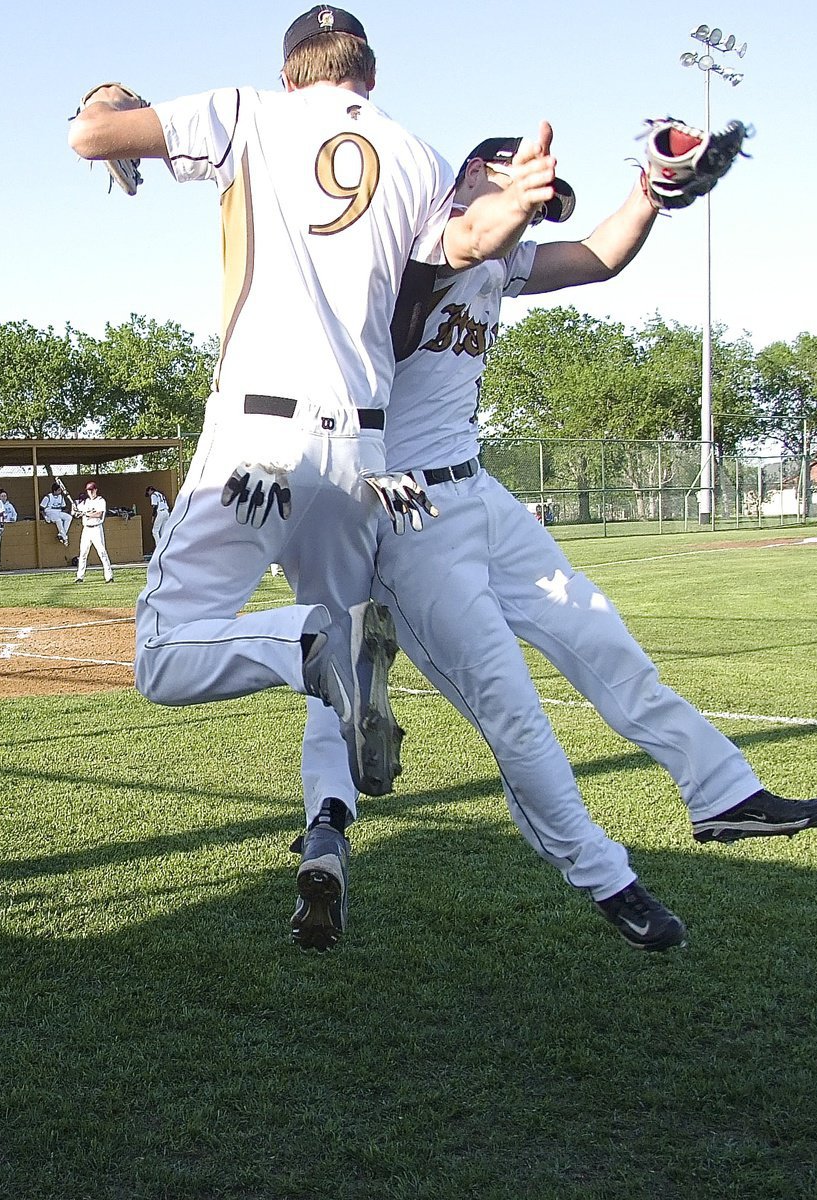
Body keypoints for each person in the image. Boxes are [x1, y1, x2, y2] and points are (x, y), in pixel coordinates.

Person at [296, 137, 817, 952]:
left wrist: (652, 193)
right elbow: (454, 252)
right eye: (528, 193)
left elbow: (598, 258)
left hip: (478, 491)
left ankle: (722, 793)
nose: (539, 214)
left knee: (600, 635)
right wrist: (509, 208)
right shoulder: (411, 240)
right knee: (512, 710)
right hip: (408, 517)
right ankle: (605, 878)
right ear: (478, 175)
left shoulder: (499, 257)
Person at [67, 8, 557, 818]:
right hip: (365, 453)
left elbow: (92, 135)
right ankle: (327, 830)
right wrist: (524, 203)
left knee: (163, 658)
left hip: (258, 438)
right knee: (342, 647)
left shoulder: (248, 110)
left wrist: (106, 94)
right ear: (368, 72)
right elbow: (473, 243)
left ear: (290, 70)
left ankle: (312, 646)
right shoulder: (419, 155)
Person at [74, 481, 114, 583]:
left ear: (96, 490)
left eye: (92, 490)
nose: (90, 492)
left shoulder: (100, 501)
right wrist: (76, 512)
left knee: (102, 552)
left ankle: (109, 576)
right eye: (89, 490)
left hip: (96, 528)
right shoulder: (85, 502)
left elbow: (99, 514)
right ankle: (80, 576)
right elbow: (76, 513)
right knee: (83, 553)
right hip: (86, 529)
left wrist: (86, 514)